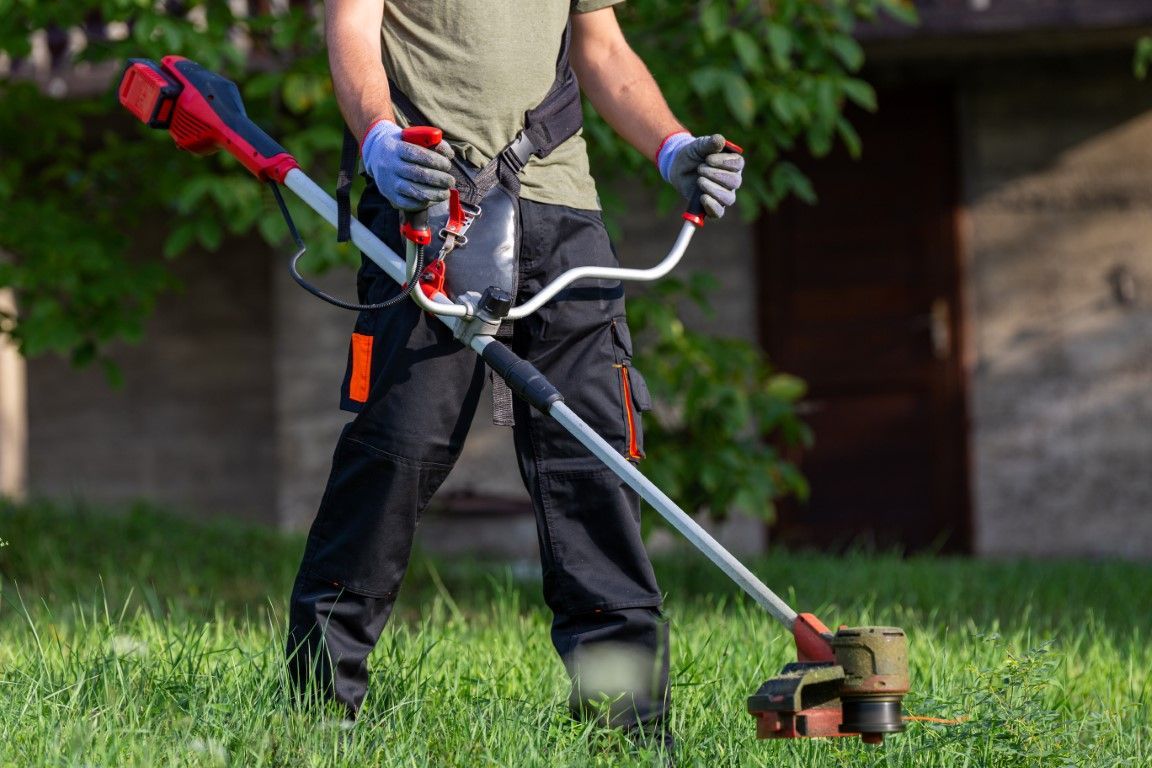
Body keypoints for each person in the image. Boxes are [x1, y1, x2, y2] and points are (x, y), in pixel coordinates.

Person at [286, 0, 744, 754]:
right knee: (397, 453)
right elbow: (352, 31)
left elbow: (602, 49)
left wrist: (672, 148)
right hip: (431, 201)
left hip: (564, 213)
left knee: (593, 463)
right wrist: (379, 141)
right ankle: (318, 712)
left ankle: (626, 727)